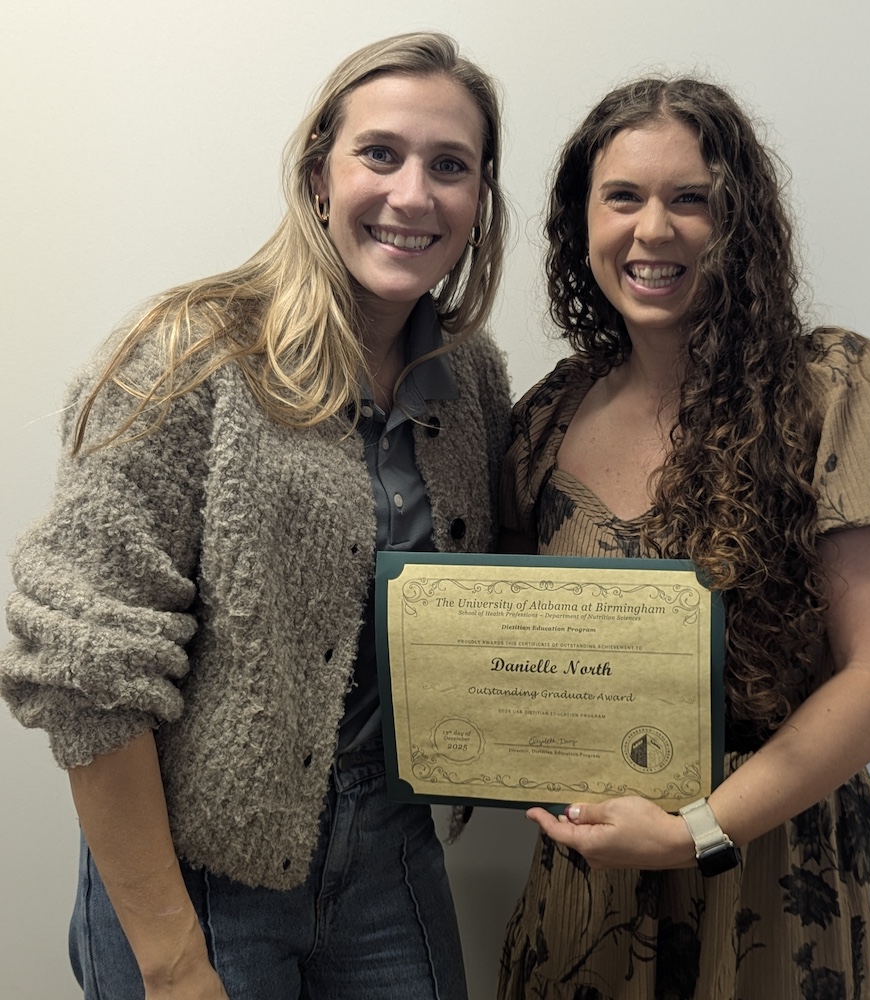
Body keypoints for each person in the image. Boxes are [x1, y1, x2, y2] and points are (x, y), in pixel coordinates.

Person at [1, 31, 510, 1000]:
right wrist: (172, 959)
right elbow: (84, 671)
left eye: (450, 166)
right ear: (320, 172)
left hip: (392, 849)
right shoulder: (185, 357)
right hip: (196, 867)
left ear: (481, 200)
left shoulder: (472, 379)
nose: (413, 194)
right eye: (381, 154)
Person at [497, 77, 870, 1000]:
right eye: (622, 197)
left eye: (691, 200)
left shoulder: (843, 390)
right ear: (580, 221)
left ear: (740, 221)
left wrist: (694, 830)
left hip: (775, 882)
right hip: (589, 891)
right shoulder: (545, 416)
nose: (652, 230)